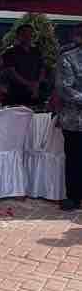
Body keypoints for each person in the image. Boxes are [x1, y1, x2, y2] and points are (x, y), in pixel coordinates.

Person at [57, 31, 82, 211]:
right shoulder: (68, 57)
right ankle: (73, 197)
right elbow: (64, 88)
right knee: (75, 159)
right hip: (75, 120)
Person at [2, 24, 44, 107]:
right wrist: (28, 84)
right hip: (17, 92)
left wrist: (37, 85)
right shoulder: (10, 52)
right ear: (18, 36)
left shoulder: (37, 51)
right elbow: (11, 72)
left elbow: (42, 69)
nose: (28, 36)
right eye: (24, 33)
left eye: (30, 33)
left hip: (35, 91)